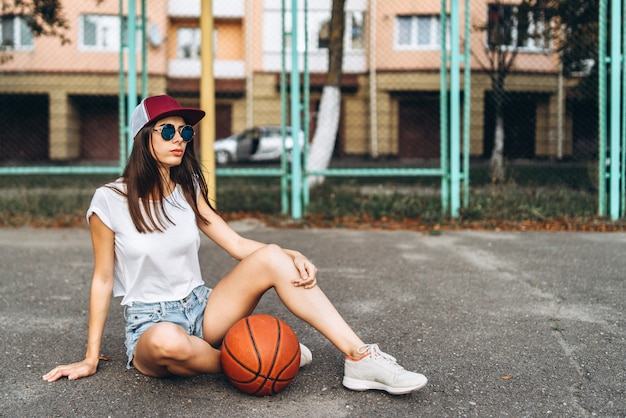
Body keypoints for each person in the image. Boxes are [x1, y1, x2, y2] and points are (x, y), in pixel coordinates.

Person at [42, 95, 427, 395]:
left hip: (202, 308)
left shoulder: (187, 189)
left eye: (185, 132)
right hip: (151, 323)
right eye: (168, 131)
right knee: (166, 343)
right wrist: (91, 357)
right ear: (144, 137)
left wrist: (290, 255)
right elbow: (103, 280)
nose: (180, 139)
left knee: (273, 256)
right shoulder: (108, 200)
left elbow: (237, 243)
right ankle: (264, 357)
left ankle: (359, 357)